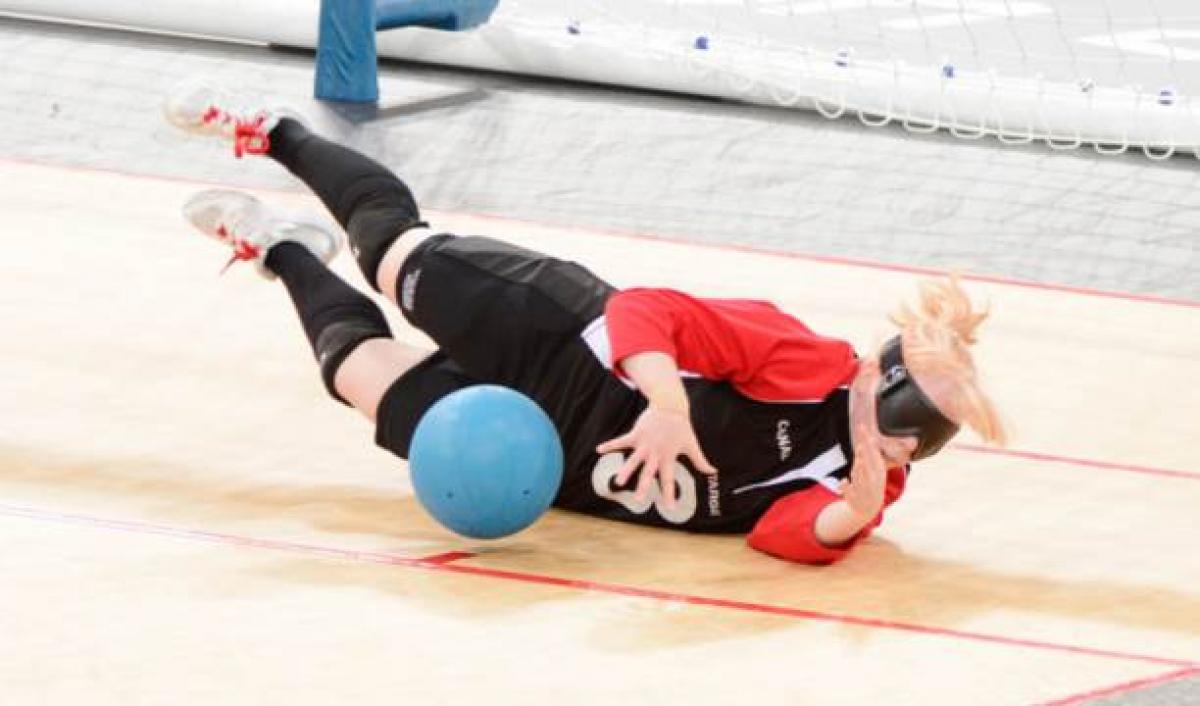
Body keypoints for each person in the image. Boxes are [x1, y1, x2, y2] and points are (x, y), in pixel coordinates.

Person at [164, 86, 1005, 565]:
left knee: (355, 368)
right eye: (905, 425)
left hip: (545, 458)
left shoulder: (867, 482)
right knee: (387, 249)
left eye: (927, 443)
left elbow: (775, 537)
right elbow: (645, 310)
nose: (903, 452)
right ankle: (274, 131)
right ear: (873, 378)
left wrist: (852, 513)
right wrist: (668, 408)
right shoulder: (801, 360)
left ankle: (282, 252)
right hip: (563, 341)